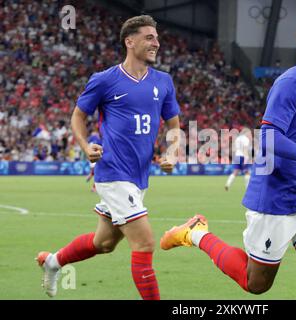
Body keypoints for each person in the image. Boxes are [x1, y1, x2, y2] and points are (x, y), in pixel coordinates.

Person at [160, 16, 296, 300]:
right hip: (276, 196)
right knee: (256, 284)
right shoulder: (291, 83)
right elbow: (267, 136)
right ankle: (195, 234)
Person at [36, 15, 180, 300]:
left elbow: (174, 126)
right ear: (130, 41)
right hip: (113, 174)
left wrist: (172, 152)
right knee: (144, 243)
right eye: (149, 37)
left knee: (103, 243)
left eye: (157, 37)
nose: (156, 43)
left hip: (139, 178)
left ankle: (53, 262)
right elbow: (78, 117)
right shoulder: (104, 80)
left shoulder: (163, 82)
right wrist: (85, 146)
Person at [85, 128, 102, 192]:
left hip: (92, 155)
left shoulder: (92, 137)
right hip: (95, 155)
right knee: (98, 171)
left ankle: (91, 175)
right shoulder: (96, 137)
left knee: (96, 170)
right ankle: (94, 187)